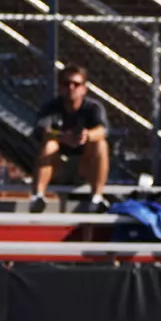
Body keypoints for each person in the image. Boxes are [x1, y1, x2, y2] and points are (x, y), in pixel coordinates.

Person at [31, 65, 110, 214]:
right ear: (59, 87)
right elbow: (40, 131)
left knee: (100, 144)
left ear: (84, 89)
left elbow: (103, 130)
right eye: (66, 84)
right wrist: (62, 137)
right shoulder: (51, 107)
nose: (71, 88)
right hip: (57, 165)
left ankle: (97, 198)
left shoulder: (93, 107)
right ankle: (38, 196)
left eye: (76, 84)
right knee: (49, 145)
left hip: (84, 166)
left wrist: (87, 136)